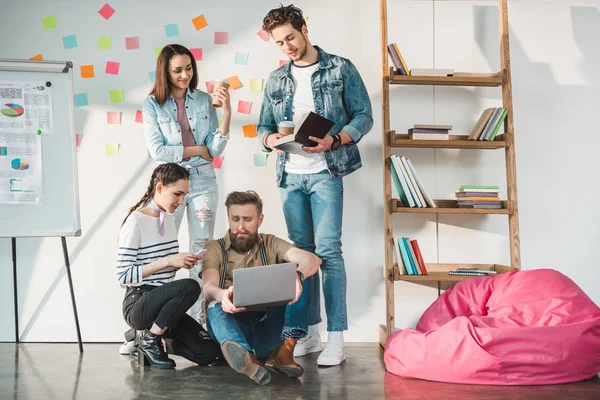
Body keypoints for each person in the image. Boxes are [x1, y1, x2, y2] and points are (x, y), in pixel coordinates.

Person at [258, 4, 373, 366]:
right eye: (280, 43)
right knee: (303, 256)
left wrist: (335, 140)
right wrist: (270, 140)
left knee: (329, 253)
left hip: (326, 171)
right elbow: (263, 128)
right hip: (290, 176)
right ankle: (309, 332)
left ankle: (336, 339)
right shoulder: (276, 79)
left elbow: (364, 115)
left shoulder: (340, 68)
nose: (287, 47)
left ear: (304, 29)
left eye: (290, 37)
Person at [142, 43, 232, 325]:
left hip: (204, 180)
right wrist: (196, 149)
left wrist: (226, 113)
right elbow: (158, 152)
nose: (184, 75)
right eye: (177, 70)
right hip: (170, 183)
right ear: (165, 72)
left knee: (201, 248)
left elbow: (214, 150)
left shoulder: (205, 100)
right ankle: (149, 321)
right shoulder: (152, 104)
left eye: (188, 68)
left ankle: (198, 321)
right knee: (163, 250)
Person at [201, 190, 321, 385]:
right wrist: (223, 295)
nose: (240, 226)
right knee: (214, 305)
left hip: (267, 326)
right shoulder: (215, 247)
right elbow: (208, 287)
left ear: (260, 219)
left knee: (305, 275)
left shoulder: (270, 242)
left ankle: (284, 350)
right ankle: (244, 357)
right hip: (232, 327)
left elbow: (312, 259)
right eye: (235, 219)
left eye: (247, 219)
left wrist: (297, 276)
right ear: (229, 219)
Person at [117, 163, 220, 369]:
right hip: (139, 302)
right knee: (190, 286)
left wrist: (182, 262)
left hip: (167, 307)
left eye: (185, 195)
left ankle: (145, 338)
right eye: (177, 194)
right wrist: (168, 261)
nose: (181, 201)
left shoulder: (169, 220)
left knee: (208, 353)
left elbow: (164, 270)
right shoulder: (135, 222)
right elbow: (124, 276)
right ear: (160, 187)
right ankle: (149, 340)